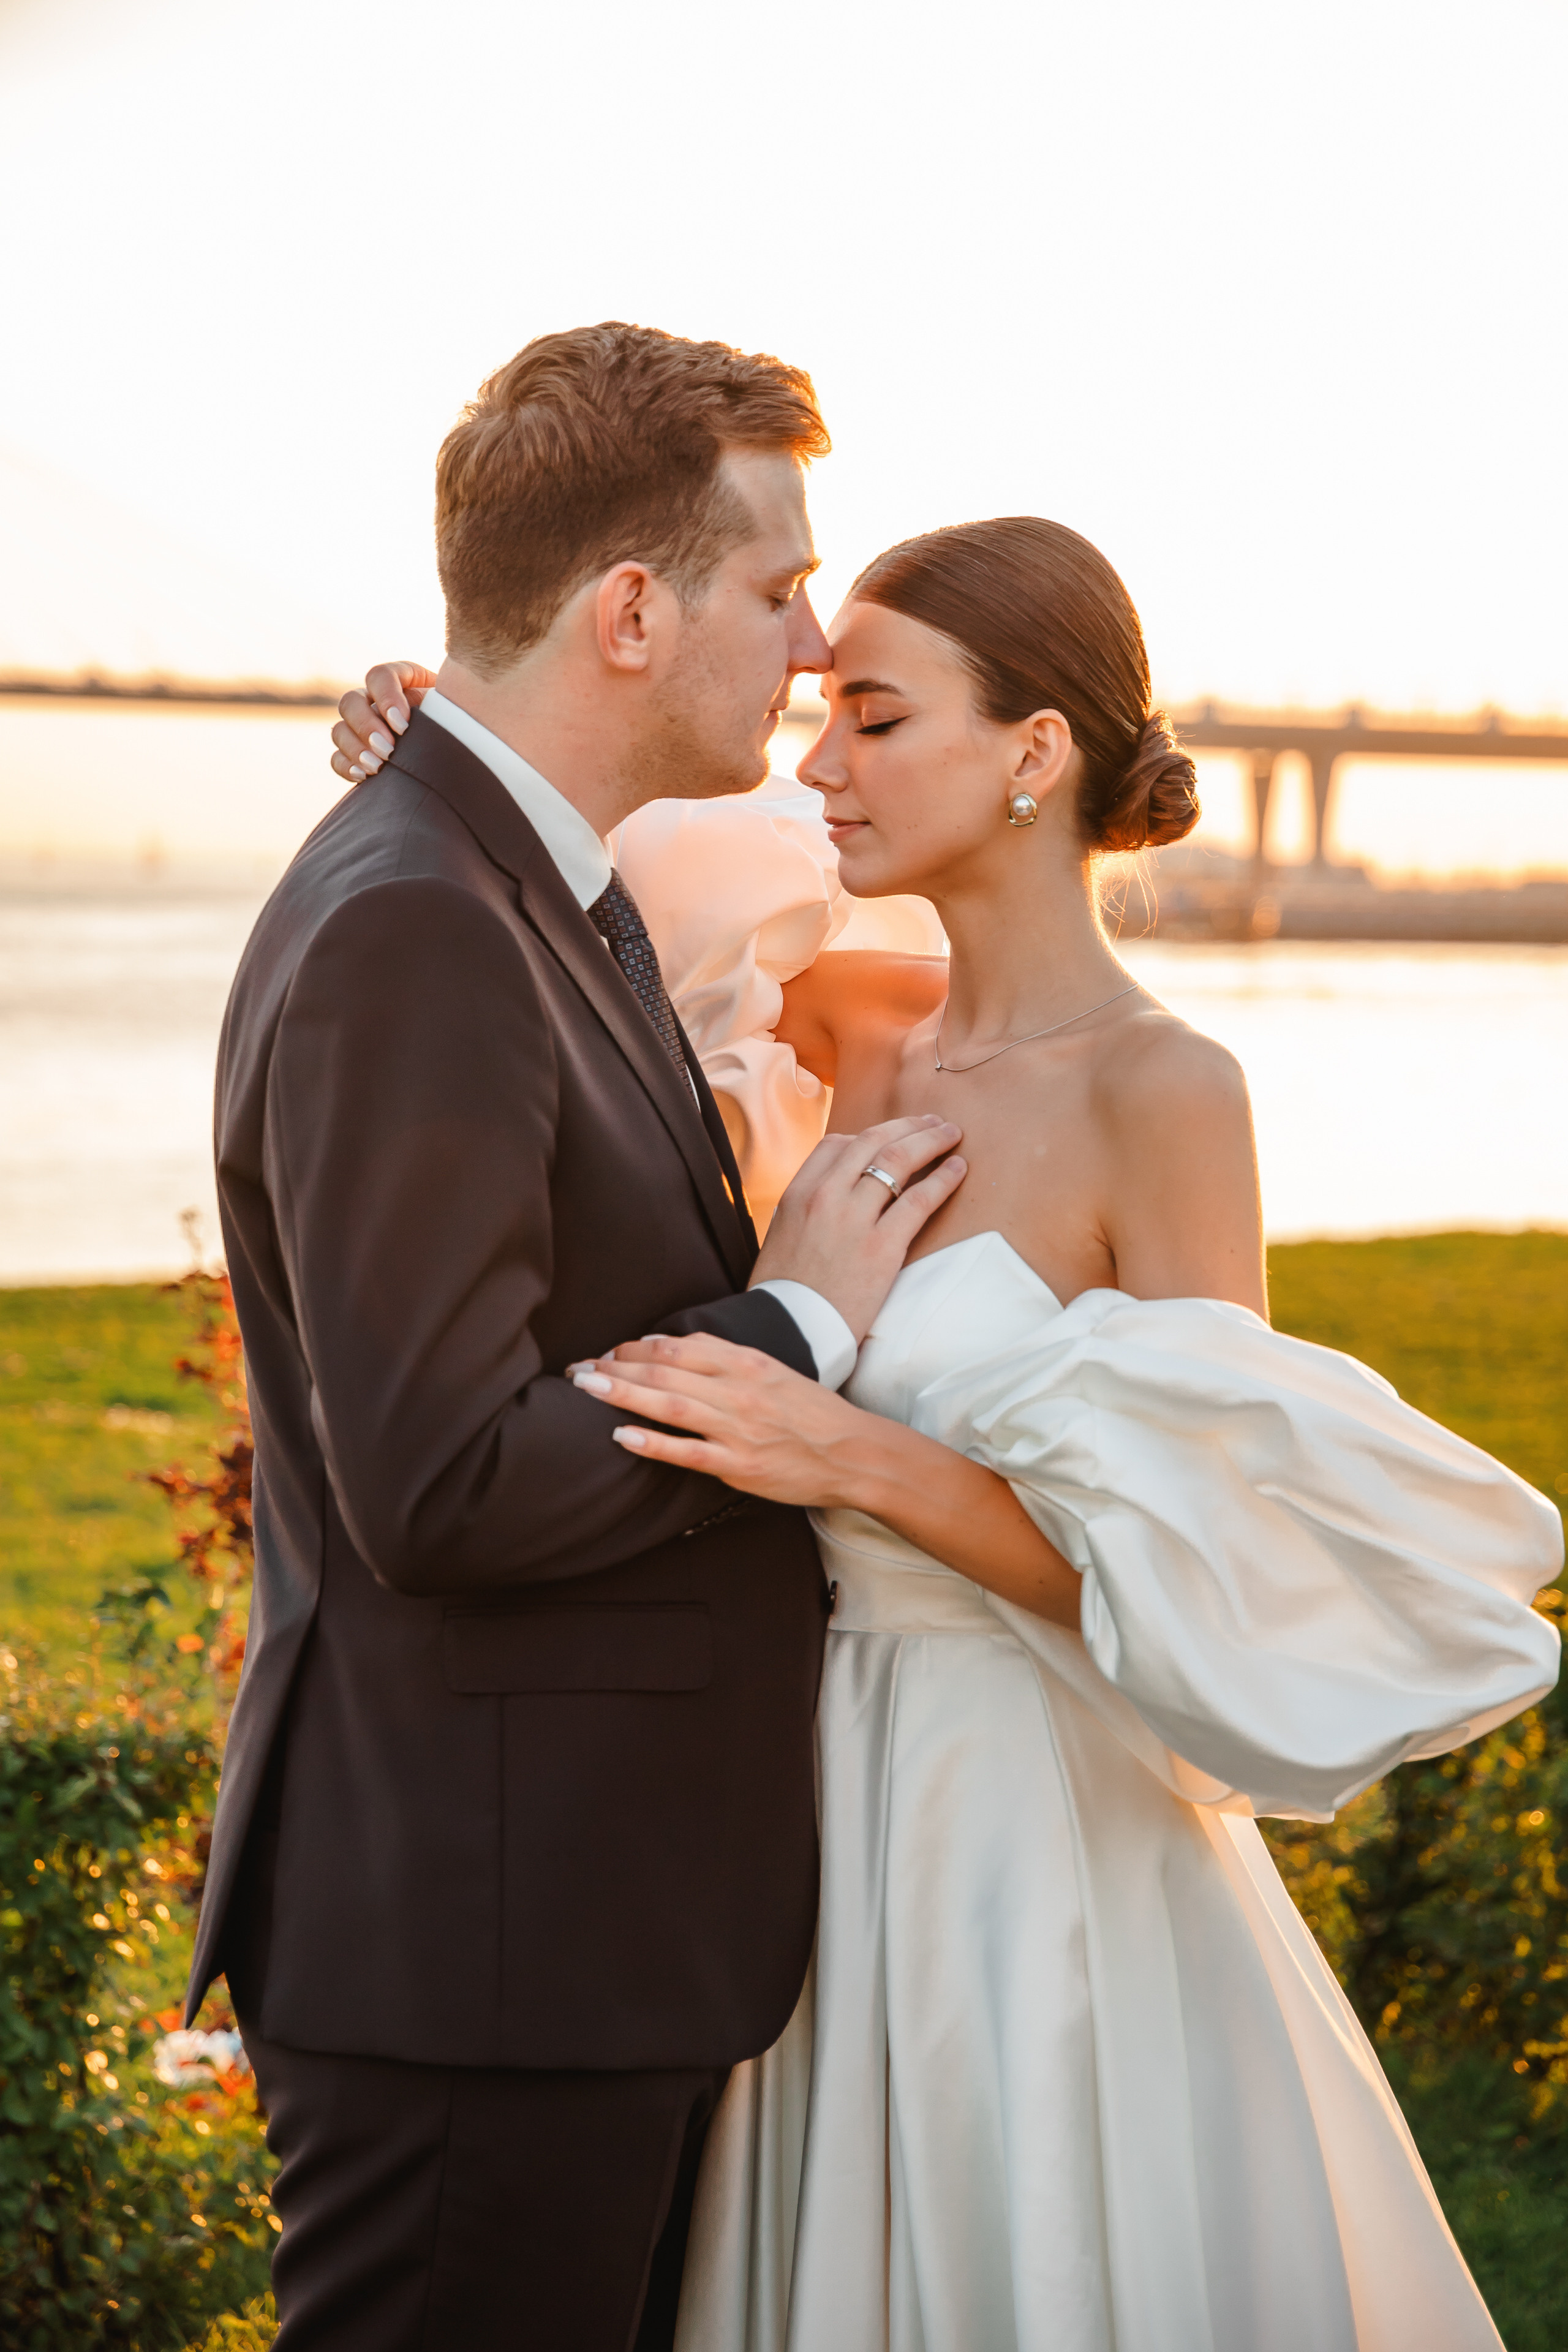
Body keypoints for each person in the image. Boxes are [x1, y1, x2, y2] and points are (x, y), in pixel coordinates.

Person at [342, 515, 1564, 2348]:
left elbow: (1181, 1566)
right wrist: (424, 741)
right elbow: (553, 890)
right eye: (825, 709)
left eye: (877, 720)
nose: (818, 760)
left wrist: (845, 1457)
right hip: (796, 1821)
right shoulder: (840, 1024)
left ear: (1034, 756)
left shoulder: (1169, 1094)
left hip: (1027, 1834)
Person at [189, 322, 971, 2352]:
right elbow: (443, 1484)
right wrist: (795, 1319)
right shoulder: (420, 923)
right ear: (634, 610)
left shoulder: (541, 884)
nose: (812, 642)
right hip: (484, 1960)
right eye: (780, 585)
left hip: (565, 1940)